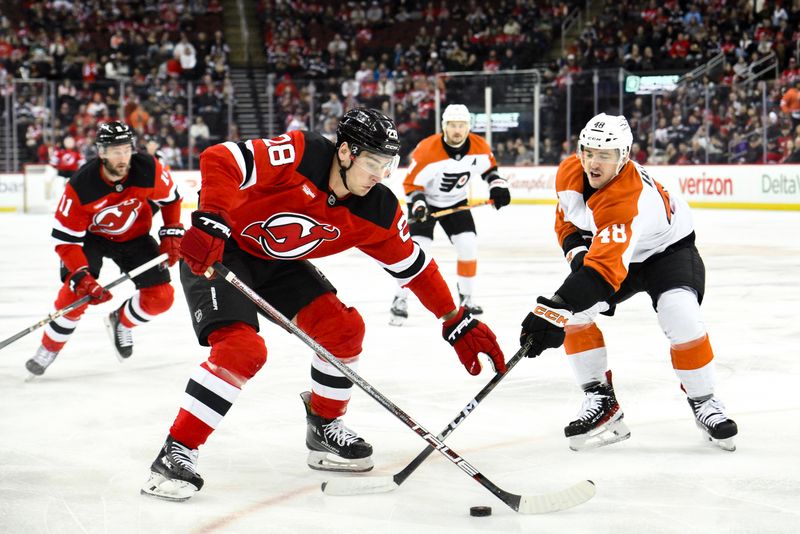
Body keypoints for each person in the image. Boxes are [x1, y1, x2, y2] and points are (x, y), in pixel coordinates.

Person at [140, 108, 506, 502]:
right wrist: (211, 219)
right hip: (220, 249)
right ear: (346, 152)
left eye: (388, 166)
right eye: (372, 164)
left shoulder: (377, 209)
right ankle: (175, 452)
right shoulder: (301, 153)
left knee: (344, 329)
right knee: (242, 349)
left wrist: (453, 317)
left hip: (279, 263)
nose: (380, 176)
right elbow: (221, 158)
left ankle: (324, 427)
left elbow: (414, 267)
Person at [519, 113, 738, 452]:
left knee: (680, 315)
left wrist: (554, 308)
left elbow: (604, 275)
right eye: (588, 151)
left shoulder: (626, 198)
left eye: (604, 155)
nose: (593, 162)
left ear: (624, 156)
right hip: (622, 250)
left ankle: (705, 400)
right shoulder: (569, 172)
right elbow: (566, 222)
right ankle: (601, 401)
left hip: (668, 252)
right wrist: (578, 257)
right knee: (576, 316)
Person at [25, 121, 184, 376]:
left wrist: (171, 231)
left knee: (161, 298)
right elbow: (67, 241)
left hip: (135, 236)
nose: (122, 157)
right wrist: (83, 278)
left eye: (126, 149)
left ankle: (121, 320)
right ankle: (49, 348)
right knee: (74, 294)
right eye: (115, 150)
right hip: (92, 239)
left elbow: (171, 200)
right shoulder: (81, 186)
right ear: (101, 152)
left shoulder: (148, 168)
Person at [389, 104, 511, 326]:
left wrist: (497, 186)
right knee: (416, 254)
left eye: (462, 125)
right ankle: (400, 299)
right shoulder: (427, 150)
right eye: (452, 125)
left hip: (456, 204)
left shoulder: (479, 147)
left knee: (468, 245)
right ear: (444, 126)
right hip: (424, 204)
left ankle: (466, 298)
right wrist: (418, 204)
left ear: (468, 127)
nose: (457, 130)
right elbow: (411, 184)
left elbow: (490, 171)